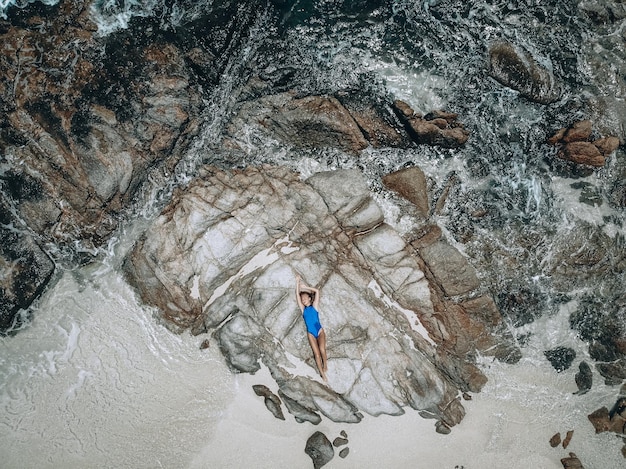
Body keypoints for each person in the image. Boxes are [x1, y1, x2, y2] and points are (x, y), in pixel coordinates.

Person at [296, 275, 328, 381]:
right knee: (317, 354)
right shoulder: (303, 310)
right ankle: (322, 373)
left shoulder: (314, 306)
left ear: (309, 298)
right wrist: (297, 283)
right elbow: (297, 295)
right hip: (310, 333)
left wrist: (306, 287)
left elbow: (317, 291)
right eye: (302, 299)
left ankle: (325, 364)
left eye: (305, 298)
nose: (303, 300)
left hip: (319, 330)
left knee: (322, 349)